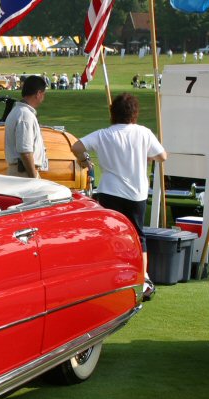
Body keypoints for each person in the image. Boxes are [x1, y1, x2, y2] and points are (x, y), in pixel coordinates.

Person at [73, 93, 167, 300]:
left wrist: (85, 161)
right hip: (136, 193)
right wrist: (146, 156)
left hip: (109, 191)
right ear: (134, 113)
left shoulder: (104, 134)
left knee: (110, 236)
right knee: (138, 235)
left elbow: (77, 146)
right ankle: (143, 278)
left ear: (113, 113)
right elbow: (162, 156)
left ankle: (110, 277)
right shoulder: (143, 133)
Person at [4, 75, 48, 179]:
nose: (43, 98)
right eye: (43, 94)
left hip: (21, 172)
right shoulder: (25, 115)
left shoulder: (18, 112)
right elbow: (25, 152)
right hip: (24, 174)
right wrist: (34, 177)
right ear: (38, 94)